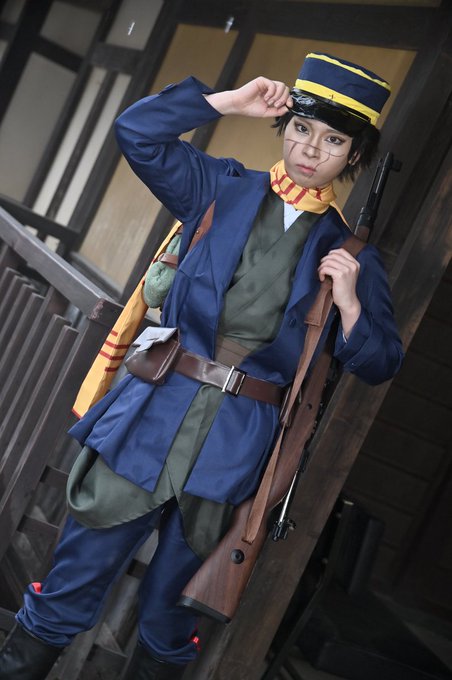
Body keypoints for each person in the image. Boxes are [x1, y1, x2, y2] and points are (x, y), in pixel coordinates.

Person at [0, 52, 403, 679]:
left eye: (333, 140)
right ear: (285, 126)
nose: (310, 149)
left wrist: (349, 303)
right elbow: (137, 132)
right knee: (71, 581)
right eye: (301, 128)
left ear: (354, 155)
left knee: (170, 620)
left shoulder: (348, 252)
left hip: (234, 446)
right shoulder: (220, 187)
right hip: (152, 411)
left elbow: (379, 363)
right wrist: (227, 102)